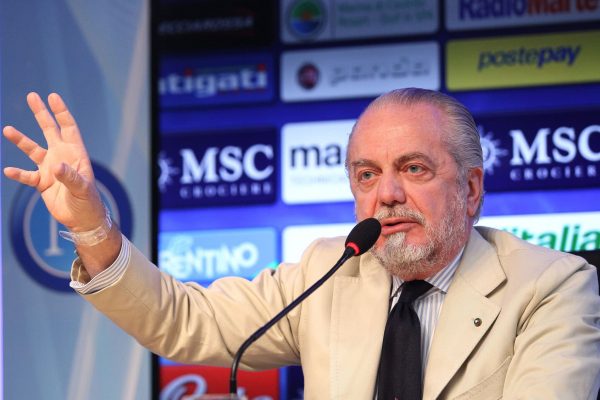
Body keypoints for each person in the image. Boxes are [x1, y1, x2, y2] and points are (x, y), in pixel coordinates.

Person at [4, 89, 600, 399]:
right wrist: (90, 225)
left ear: (471, 190)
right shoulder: (329, 273)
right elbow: (182, 318)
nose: (386, 195)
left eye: (413, 168)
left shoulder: (549, 286)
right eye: (366, 175)